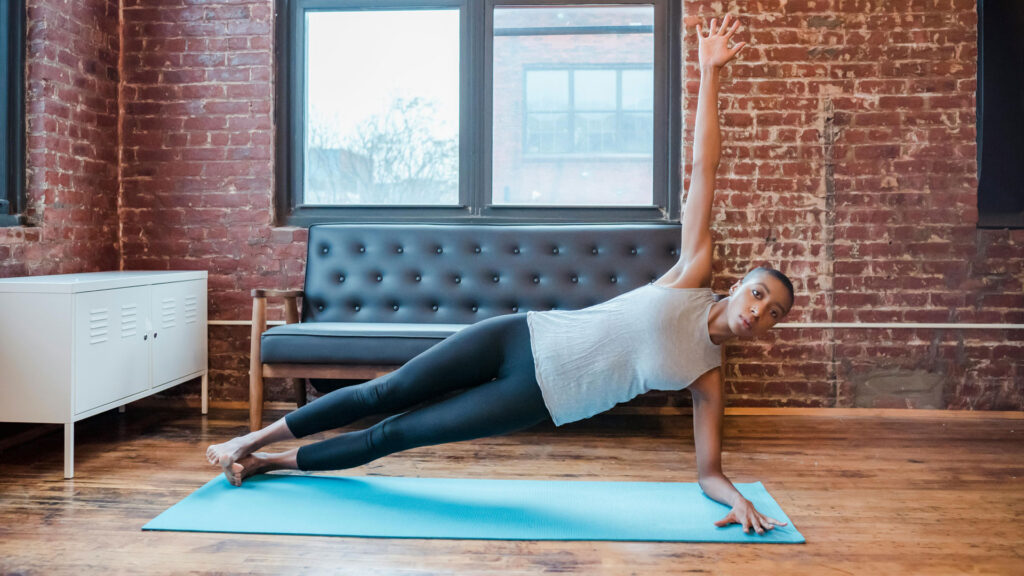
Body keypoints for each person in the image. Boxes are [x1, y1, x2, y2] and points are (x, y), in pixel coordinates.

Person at [207, 14, 793, 536]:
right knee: (385, 392)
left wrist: (737, 500)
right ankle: (251, 439)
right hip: (522, 335)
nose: (758, 311)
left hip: (535, 397)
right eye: (759, 293)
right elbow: (704, 170)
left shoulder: (707, 377)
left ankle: (269, 464)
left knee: (397, 434)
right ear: (740, 283)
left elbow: (709, 473)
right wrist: (711, 73)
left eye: (773, 314)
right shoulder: (691, 275)